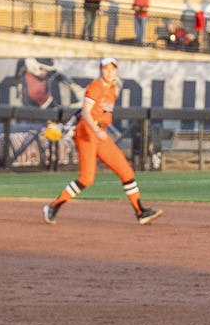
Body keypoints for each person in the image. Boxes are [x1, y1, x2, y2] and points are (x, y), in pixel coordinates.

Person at [42, 57, 162, 226]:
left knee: (127, 172)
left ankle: (140, 212)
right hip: (88, 133)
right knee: (86, 179)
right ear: (101, 70)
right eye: (106, 69)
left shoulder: (113, 88)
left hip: (101, 134)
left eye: (112, 69)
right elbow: (85, 112)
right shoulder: (96, 87)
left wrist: (97, 130)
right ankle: (53, 207)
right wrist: (94, 129)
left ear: (116, 71)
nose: (109, 72)